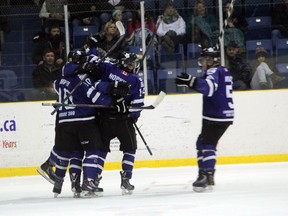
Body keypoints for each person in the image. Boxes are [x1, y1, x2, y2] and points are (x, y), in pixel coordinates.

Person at [38, 49, 131, 198]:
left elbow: (58, 81)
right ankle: (88, 181)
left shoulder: (60, 80)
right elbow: (96, 98)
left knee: (69, 150)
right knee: (94, 148)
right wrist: (114, 101)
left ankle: (51, 166)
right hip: (83, 120)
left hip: (63, 119)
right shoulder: (82, 78)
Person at [74, 51, 144, 195]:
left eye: (133, 64)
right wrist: (112, 88)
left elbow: (137, 102)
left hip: (112, 118)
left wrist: (133, 114)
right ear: (122, 63)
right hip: (114, 118)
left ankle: (122, 178)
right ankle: (97, 179)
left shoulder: (112, 69)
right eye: (130, 63)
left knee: (124, 149)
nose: (132, 66)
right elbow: (96, 82)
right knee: (105, 150)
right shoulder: (121, 73)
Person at [175, 47, 234, 192]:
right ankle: (206, 174)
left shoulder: (213, 71)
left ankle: (206, 175)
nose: (201, 64)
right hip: (223, 114)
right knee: (202, 142)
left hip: (216, 115)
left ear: (211, 60)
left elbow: (209, 88)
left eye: (203, 60)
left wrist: (192, 81)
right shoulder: (224, 70)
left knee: (207, 144)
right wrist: (192, 83)